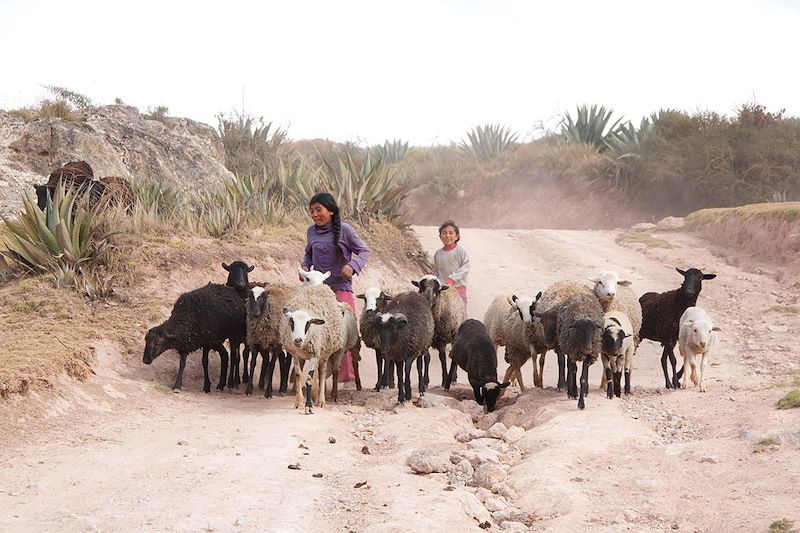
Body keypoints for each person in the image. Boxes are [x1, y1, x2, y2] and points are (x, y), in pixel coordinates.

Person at [301, 192, 370, 382]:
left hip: (341, 287)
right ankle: (313, 377)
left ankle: (345, 378)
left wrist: (352, 266)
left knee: (343, 332)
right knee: (315, 330)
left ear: (330, 211)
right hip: (318, 290)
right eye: (312, 211)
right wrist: (304, 268)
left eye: (318, 210)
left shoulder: (345, 230)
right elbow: (308, 254)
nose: (315, 215)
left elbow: (364, 251)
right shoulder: (311, 231)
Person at [433, 220, 470, 318]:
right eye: (444, 233)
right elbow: (437, 271)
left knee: (460, 316)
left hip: (458, 290)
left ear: (457, 236)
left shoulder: (460, 251)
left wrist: (452, 278)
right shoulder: (438, 254)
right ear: (440, 236)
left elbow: (466, 267)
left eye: (451, 233)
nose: (447, 236)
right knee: (444, 316)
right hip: (443, 291)